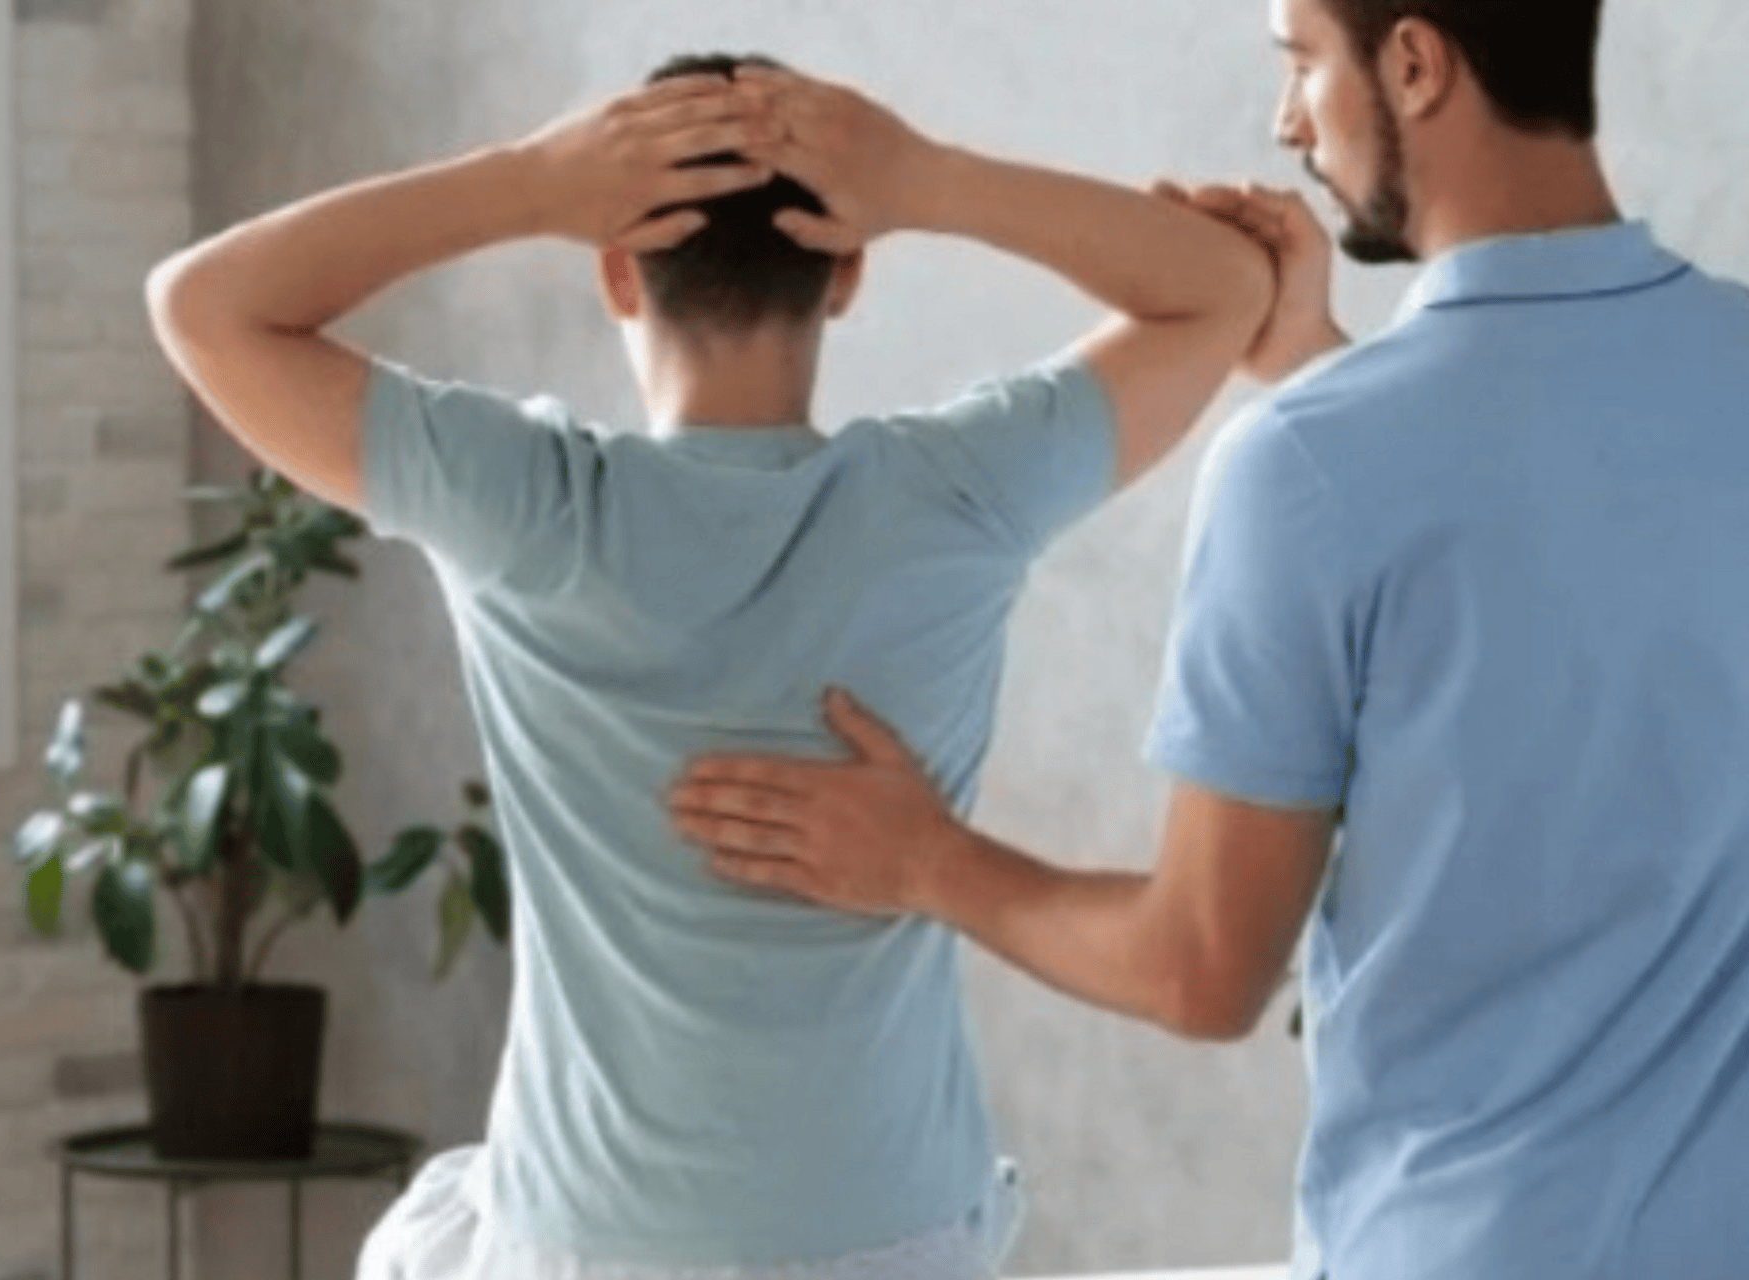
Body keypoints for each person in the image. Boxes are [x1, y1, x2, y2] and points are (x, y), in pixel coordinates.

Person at [146, 52, 1271, 1280]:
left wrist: (526, 182)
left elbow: (203, 307)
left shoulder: (531, 508)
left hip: (591, 1242)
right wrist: (927, 178)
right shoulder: (954, 494)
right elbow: (1221, 289)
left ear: (614, 270)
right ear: (846, 272)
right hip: (898, 1231)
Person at [669, 4, 1749, 1278]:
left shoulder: (1318, 465)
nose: (1288, 121)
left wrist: (927, 859)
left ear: (1414, 62)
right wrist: (1319, 369)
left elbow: (1201, 967)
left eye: (1301, 64)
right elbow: (1571, 555)